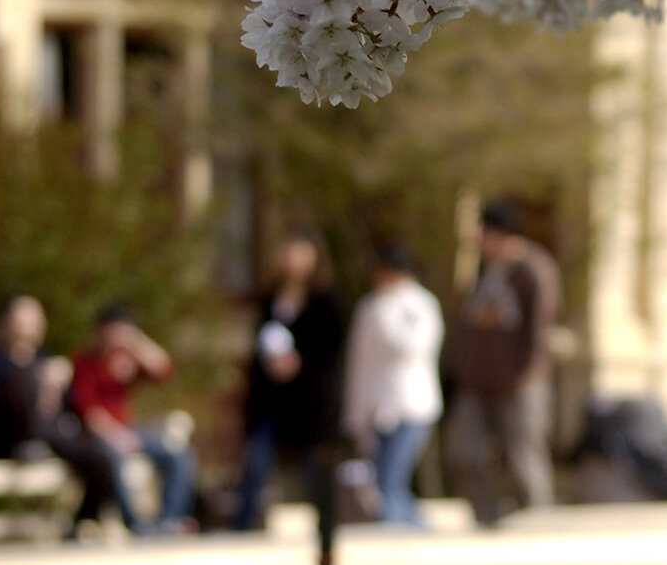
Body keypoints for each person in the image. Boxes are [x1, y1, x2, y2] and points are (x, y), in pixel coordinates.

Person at [446, 200, 560, 528]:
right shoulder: (483, 271)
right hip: (477, 382)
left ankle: (535, 521)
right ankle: (487, 517)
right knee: (466, 451)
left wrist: (523, 373)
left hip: (521, 381)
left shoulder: (533, 270)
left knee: (524, 455)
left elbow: (539, 328)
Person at [0, 295, 122, 536]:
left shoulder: (46, 358)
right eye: (23, 317)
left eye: (35, 318)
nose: (30, 324)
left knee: (101, 458)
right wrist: (38, 379)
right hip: (8, 438)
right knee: (30, 384)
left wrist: (58, 385)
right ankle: (33, 444)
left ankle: (82, 523)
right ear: (5, 322)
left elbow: (70, 404)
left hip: (52, 434)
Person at [233, 228, 345, 532]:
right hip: (273, 399)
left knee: (315, 469)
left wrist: (299, 363)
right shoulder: (270, 300)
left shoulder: (325, 302)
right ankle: (244, 527)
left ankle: (325, 528)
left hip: (310, 401)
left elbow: (330, 353)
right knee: (256, 459)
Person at [69, 303, 197, 534]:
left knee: (180, 454)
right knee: (112, 459)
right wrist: (117, 437)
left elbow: (164, 369)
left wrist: (137, 343)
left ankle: (170, 520)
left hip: (130, 430)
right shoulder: (85, 362)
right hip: (99, 436)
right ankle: (136, 525)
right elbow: (90, 413)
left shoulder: (125, 360)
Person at [343, 244, 444, 527]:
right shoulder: (369, 306)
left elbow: (410, 347)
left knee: (391, 480)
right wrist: (355, 412)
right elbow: (360, 363)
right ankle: (409, 526)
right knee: (380, 482)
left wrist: (387, 308)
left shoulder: (421, 304)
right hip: (377, 406)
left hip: (412, 405)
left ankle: (408, 528)